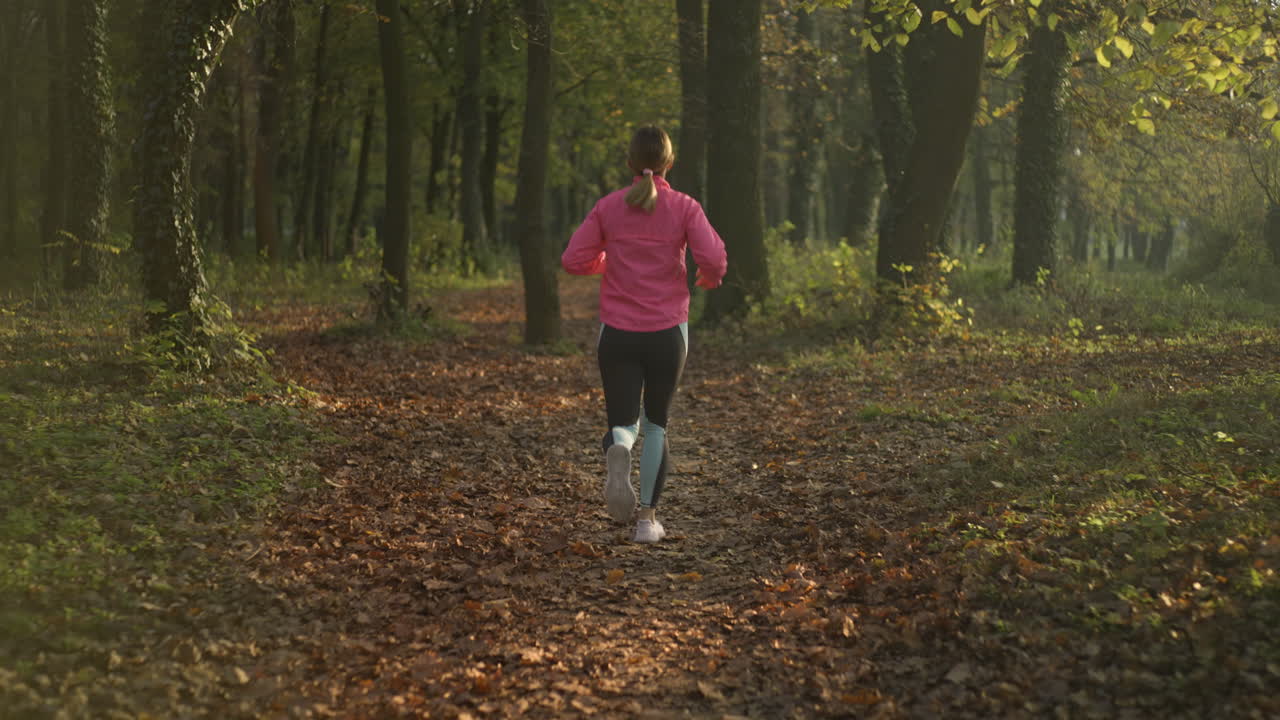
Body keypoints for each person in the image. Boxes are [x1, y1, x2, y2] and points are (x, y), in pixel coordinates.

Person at [561, 126, 728, 543]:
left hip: (617, 332)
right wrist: (708, 276)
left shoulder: (608, 207)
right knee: (657, 424)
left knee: (624, 421)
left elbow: (573, 259)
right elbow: (713, 257)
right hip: (668, 332)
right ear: (670, 163)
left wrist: (607, 263)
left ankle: (618, 446)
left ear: (629, 163)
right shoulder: (685, 207)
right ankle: (647, 522)